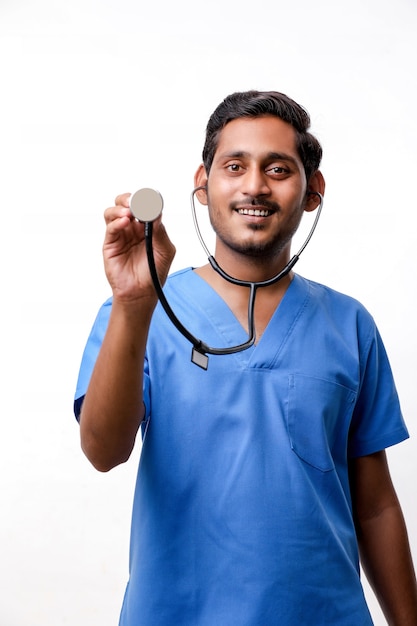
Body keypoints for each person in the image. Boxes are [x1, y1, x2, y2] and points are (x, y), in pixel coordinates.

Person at [74, 90, 417, 625]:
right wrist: (134, 305)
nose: (255, 185)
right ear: (203, 182)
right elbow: (102, 450)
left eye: (278, 168)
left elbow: (375, 505)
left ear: (312, 190)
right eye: (235, 166)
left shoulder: (350, 325)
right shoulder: (141, 312)